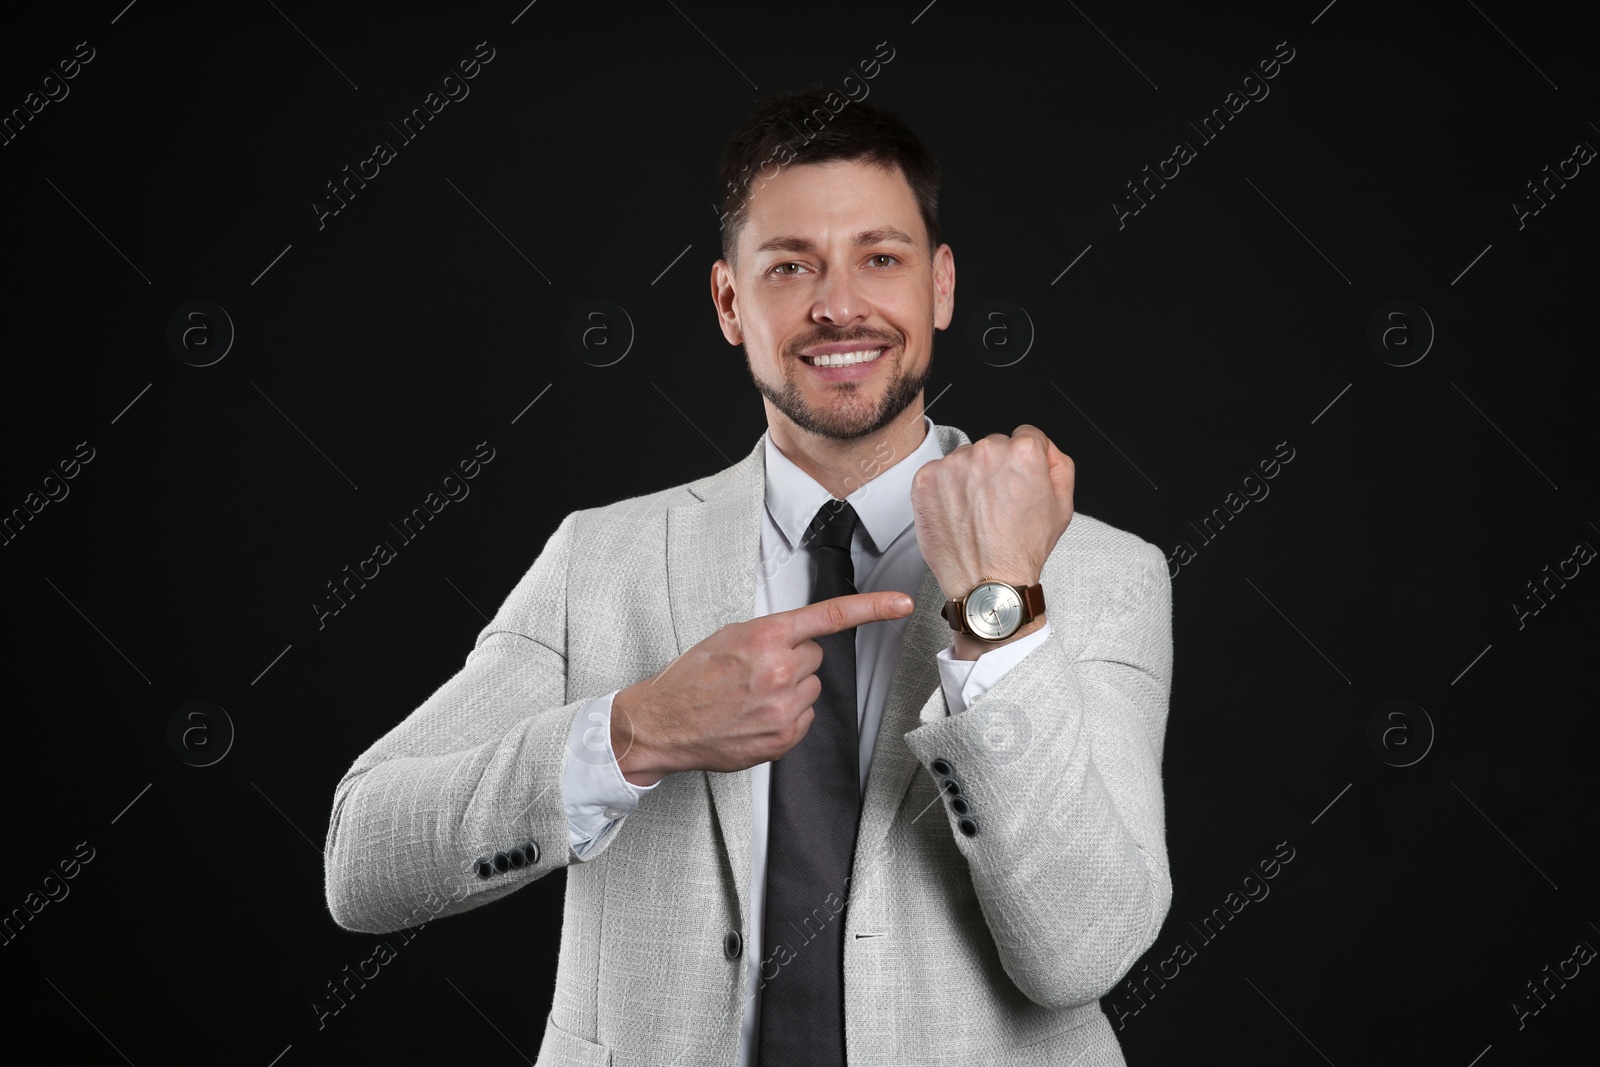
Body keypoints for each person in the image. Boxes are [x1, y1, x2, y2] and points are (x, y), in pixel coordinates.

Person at [323, 85, 1174, 1066]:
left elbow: (1081, 951)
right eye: (789, 266)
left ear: (939, 285)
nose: (839, 304)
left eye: (879, 258)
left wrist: (998, 603)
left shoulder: (1102, 571)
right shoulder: (601, 557)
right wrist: (633, 731)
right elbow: (364, 862)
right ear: (730, 301)